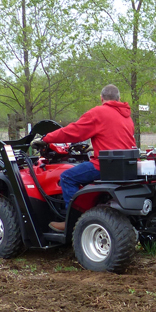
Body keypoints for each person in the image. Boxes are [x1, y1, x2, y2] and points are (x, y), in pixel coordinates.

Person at [34, 84, 135, 232]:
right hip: (126, 165)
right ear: (119, 99)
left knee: (67, 176)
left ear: (102, 99)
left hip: (105, 165)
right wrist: (96, 146)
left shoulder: (99, 112)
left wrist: (47, 138)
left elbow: (74, 132)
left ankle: (73, 221)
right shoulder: (126, 116)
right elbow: (117, 139)